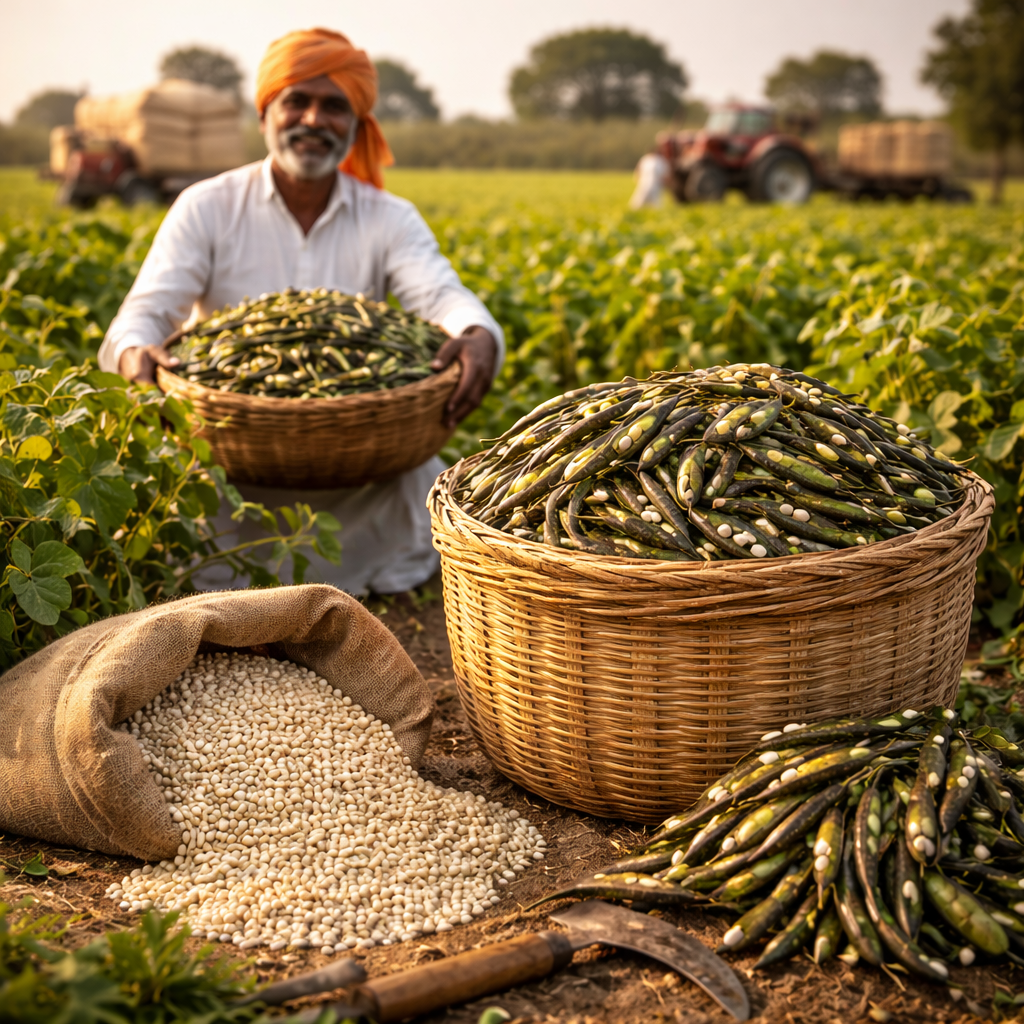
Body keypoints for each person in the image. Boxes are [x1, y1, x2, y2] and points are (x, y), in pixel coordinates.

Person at [98, 27, 503, 595]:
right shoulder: (206, 207)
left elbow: (439, 294)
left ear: (357, 125)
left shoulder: (390, 218)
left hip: (366, 477)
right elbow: (146, 312)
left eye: (334, 107)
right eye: (297, 102)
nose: (313, 120)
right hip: (230, 482)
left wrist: (475, 331)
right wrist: (137, 351)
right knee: (217, 540)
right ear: (266, 113)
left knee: (399, 512)